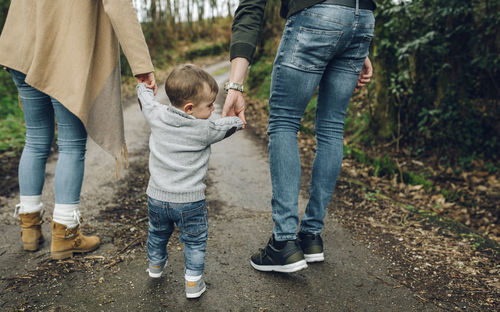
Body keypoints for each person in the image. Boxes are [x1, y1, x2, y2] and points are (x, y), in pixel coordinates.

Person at [223, 0, 376, 272]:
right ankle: (311, 236)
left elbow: (251, 7)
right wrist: (350, 36)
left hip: (317, 17)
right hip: (361, 17)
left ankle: (283, 243)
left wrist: (235, 84)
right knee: (331, 127)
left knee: (284, 121)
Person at [0, 0, 157, 259]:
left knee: (36, 139)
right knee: (71, 144)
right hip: (64, 56)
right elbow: (118, 6)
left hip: (23, 48)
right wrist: (141, 65)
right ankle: (65, 234)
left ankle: (29, 229)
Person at [137, 64, 244, 298]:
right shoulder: (204, 129)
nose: (212, 110)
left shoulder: (157, 115)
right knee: (195, 241)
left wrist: (143, 87)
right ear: (189, 108)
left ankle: (155, 266)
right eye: (209, 106)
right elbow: (229, 125)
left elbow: (146, 101)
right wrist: (237, 120)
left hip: (156, 197)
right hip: (190, 202)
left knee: (156, 232)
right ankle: (193, 283)